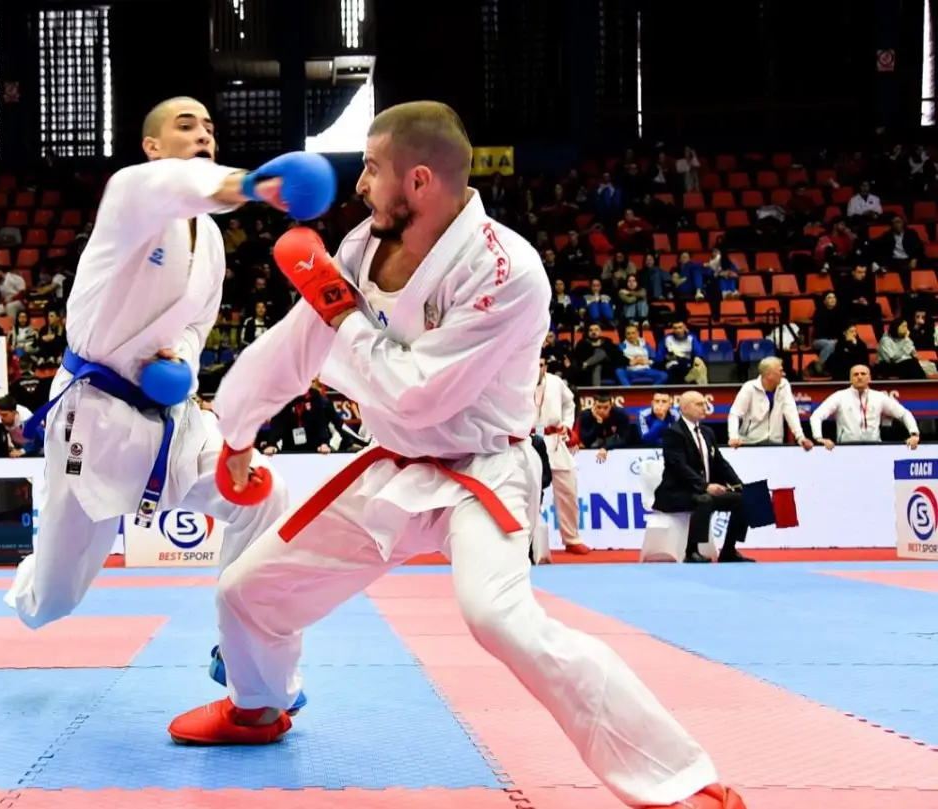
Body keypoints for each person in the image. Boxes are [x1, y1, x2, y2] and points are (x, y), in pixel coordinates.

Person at [167, 102, 745, 809]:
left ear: (417, 180)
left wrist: (341, 312)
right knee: (246, 591)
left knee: (499, 618)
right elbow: (298, 342)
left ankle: (680, 779)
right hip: (396, 464)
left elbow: (417, 394)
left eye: (371, 169)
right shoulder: (362, 246)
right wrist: (238, 430)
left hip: (484, 471)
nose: (358, 186)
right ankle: (258, 706)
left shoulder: (506, 271)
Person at [5, 96, 333, 665]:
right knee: (53, 598)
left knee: (264, 495)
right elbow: (179, 184)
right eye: (186, 125)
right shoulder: (131, 192)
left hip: (170, 419)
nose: (203, 134)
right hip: (94, 415)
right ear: (152, 146)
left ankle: (244, 650)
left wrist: (178, 359)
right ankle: (36, 577)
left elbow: (197, 322)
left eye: (209, 127)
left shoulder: (211, 240)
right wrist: (253, 185)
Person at [653, 391, 753, 564]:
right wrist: (705, 486)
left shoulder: (707, 432)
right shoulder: (673, 433)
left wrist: (739, 484)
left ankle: (729, 550)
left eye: (704, 403)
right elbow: (679, 467)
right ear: (684, 408)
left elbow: (720, 463)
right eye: (698, 404)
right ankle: (691, 551)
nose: (704, 407)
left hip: (701, 490)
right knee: (704, 500)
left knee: (743, 499)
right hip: (677, 492)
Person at [533, 358, 587, 554]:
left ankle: (572, 539)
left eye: (541, 365)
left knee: (568, 490)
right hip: (529, 441)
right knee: (531, 492)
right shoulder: (517, 381)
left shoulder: (555, 382)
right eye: (534, 364)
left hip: (555, 440)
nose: (538, 369)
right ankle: (530, 539)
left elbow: (569, 404)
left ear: (546, 366)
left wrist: (566, 424)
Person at [809, 364, 920, 449]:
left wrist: (914, 434)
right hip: (846, 449)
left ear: (869, 377)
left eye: (863, 374)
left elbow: (904, 413)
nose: (859, 377)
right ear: (850, 378)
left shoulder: (879, 397)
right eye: (856, 374)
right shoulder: (840, 396)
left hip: (874, 448)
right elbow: (816, 416)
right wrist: (819, 438)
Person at [726, 357, 812, 449]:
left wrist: (800, 437)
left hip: (775, 443)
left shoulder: (784, 385)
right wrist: (733, 437)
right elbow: (734, 414)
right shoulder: (749, 388)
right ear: (769, 375)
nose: (783, 374)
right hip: (750, 443)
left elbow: (790, 412)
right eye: (780, 371)